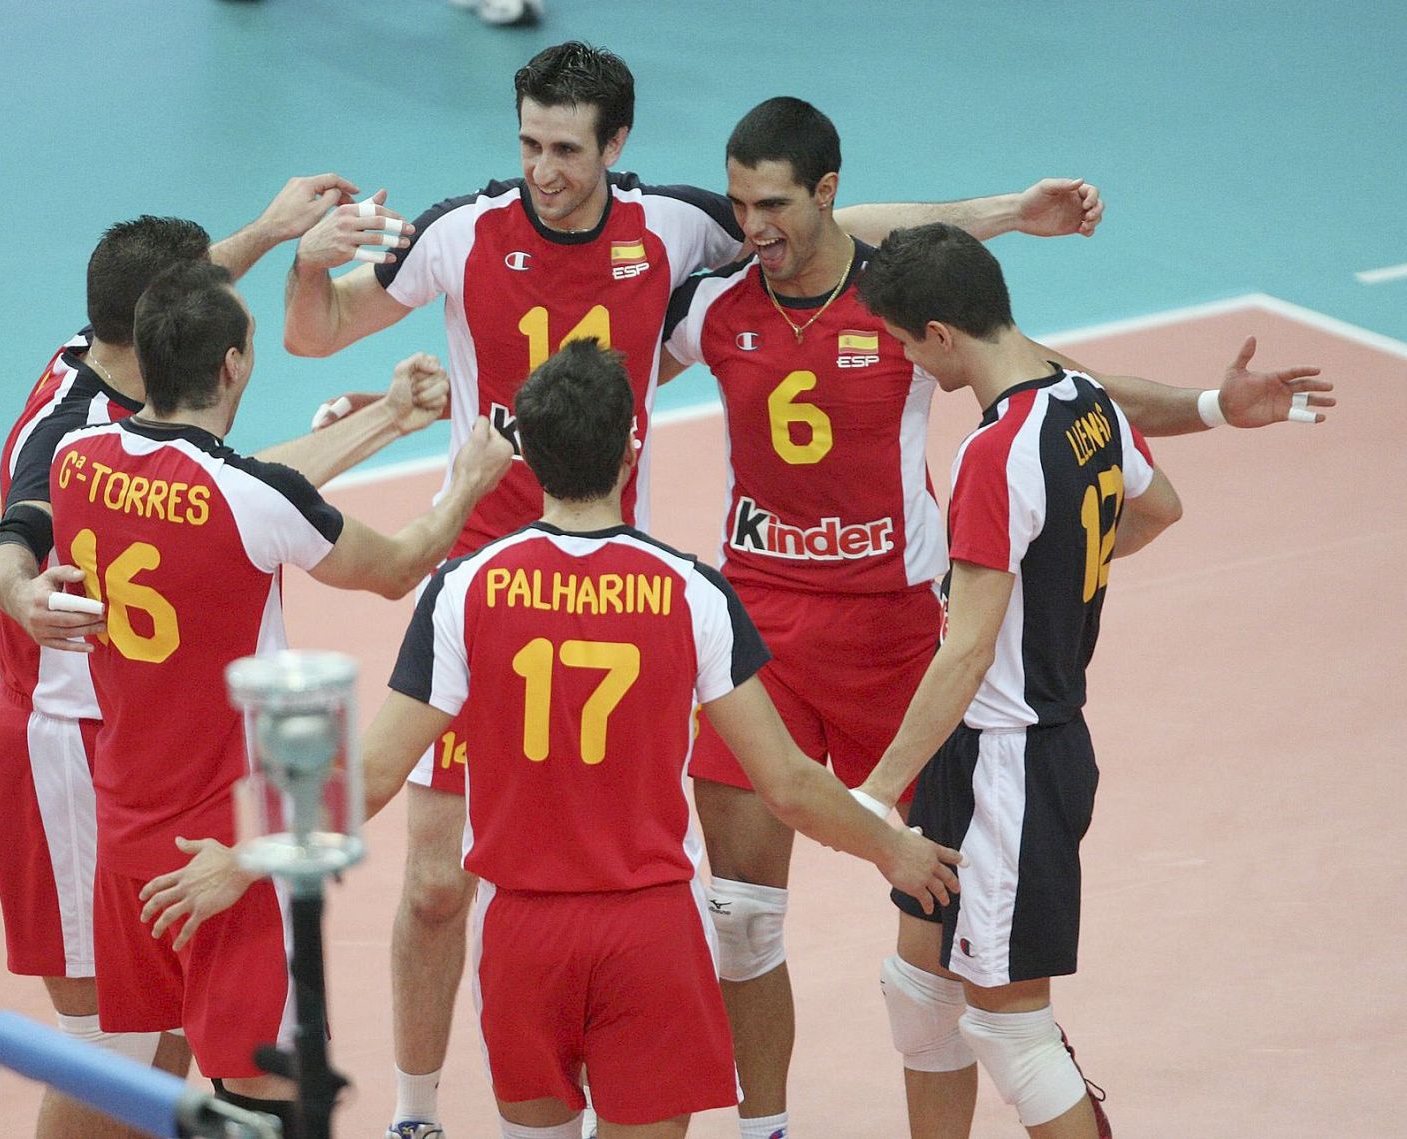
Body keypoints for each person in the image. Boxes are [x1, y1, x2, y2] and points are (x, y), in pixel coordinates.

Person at [283, 42, 1107, 1139]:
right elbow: (315, 326)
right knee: (448, 887)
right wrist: (329, 301)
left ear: (614, 145)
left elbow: (829, 220)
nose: (544, 169)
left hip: (687, 580)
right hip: (485, 575)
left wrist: (1008, 211)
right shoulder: (462, 233)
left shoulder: (673, 233)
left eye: (566, 149)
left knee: (682, 881)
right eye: (527, 144)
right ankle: (415, 1110)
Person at [660, 97, 1333, 1139]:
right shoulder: (1040, 402)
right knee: (898, 981)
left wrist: (1201, 406)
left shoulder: (987, 433)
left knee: (1006, 1018)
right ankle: (768, 1125)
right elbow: (1139, 490)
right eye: (740, 203)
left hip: (953, 690)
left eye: (776, 203)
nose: (752, 223)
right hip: (799, 645)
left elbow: (972, 638)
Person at [140, 339, 964, 1139]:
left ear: (526, 454)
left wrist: (245, 856)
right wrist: (891, 851)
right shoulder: (692, 593)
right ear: (631, 445)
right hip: (647, 933)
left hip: (522, 939)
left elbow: (377, 770)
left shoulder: (465, 591)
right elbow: (786, 781)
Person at [0, 175, 407, 1138]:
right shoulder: (77, 441)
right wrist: (17, 590)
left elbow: (238, 487)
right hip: (62, 752)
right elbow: (14, 537)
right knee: (111, 1053)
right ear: (160, 330)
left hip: (120, 750)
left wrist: (266, 231)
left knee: (159, 1039)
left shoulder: (96, 358)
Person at [40, 261, 511, 1131]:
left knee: (124, 1079)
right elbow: (401, 564)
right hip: (230, 853)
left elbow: (205, 478)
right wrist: (469, 483)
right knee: (274, 1103)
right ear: (233, 366)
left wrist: (385, 417)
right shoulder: (252, 500)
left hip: (125, 837)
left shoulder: (75, 458)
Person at [851, 223, 1184, 1138]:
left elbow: (964, 651)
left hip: (1013, 759)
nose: (905, 359)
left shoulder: (994, 456)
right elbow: (1159, 507)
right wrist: (1061, 566)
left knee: (1012, 1032)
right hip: (990, 752)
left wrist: (875, 791)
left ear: (942, 336)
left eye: (906, 343)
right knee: (917, 987)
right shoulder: (1084, 399)